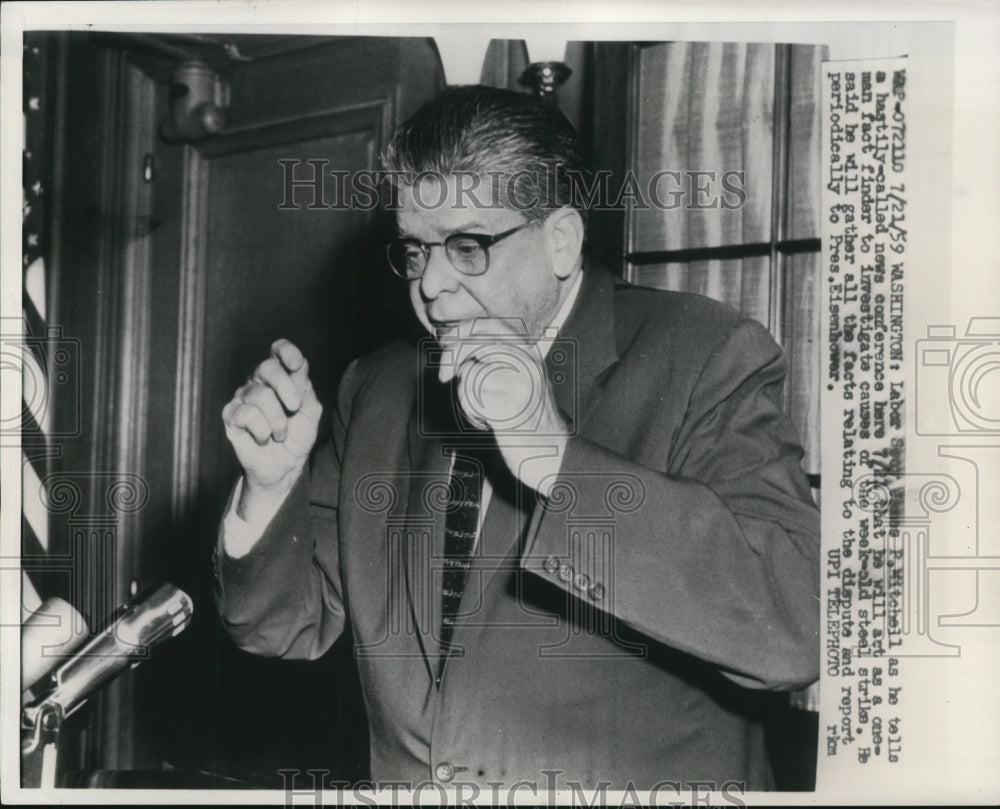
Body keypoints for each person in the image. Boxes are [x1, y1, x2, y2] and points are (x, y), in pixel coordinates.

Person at [214, 85, 820, 793]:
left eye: (467, 246)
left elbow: (797, 624)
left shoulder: (702, 356)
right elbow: (283, 625)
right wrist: (270, 488)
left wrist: (556, 458)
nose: (431, 285)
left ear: (560, 240)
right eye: (414, 252)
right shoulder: (376, 387)